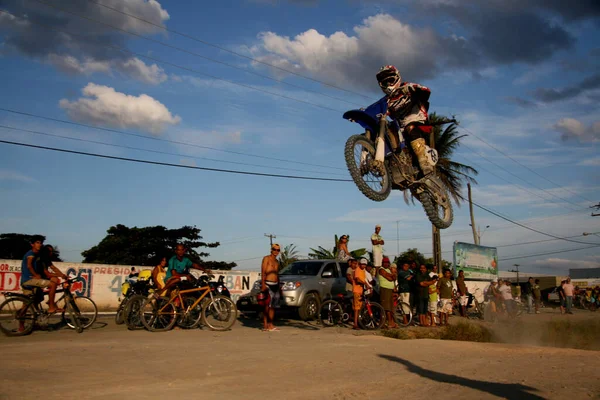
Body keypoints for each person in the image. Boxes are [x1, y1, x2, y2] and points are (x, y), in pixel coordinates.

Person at [376, 65, 434, 175]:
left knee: (410, 127)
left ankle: (424, 162)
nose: (388, 85)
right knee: (389, 135)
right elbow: (382, 113)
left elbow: (426, 91)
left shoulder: (407, 87)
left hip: (418, 121)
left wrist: (413, 90)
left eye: (390, 80)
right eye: (385, 83)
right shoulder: (387, 101)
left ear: (397, 78)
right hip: (401, 128)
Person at [21, 236, 63, 314]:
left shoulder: (37, 255)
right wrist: (36, 275)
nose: (39, 244)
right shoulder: (31, 254)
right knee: (52, 284)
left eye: (41, 243)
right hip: (28, 280)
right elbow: (29, 266)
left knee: (35, 301)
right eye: (37, 243)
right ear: (32, 244)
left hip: (32, 280)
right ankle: (51, 306)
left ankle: (32, 323)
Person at [261, 244, 282, 332]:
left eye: (278, 250)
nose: (276, 251)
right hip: (268, 283)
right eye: (274, 249)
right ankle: (265, 323)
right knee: (267, 305)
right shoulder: (266, 258)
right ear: (271, 250)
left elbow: (277, 274)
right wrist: (263, 284)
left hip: (275, 284)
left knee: (273, 306)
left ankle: (270, 324)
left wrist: (279, 286)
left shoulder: (277, 262)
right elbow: (263, 272)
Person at [377, 256, 398, 328]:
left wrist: (391, 275)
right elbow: (387, 277)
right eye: (385, 263)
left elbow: (393, 278)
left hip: (390, 289)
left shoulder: (388, 270)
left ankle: (390, 322)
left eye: (387, 263)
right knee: (386, 307)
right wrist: (392, 275)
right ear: (382, 263)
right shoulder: (381, 269)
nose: (386, 264)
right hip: (384, 289)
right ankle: (388, 322)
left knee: (391, 307)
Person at [351, 258, 366, 330]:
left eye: (364, 264)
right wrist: (365, 283)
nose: (363, 266)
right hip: (356, 290)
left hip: (361, 291)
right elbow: (357, 280)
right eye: (362, 264)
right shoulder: (357, 270)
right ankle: (355, 324)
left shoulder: (363, 271)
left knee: (359, 307)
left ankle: (358, 322)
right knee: (356, 308)